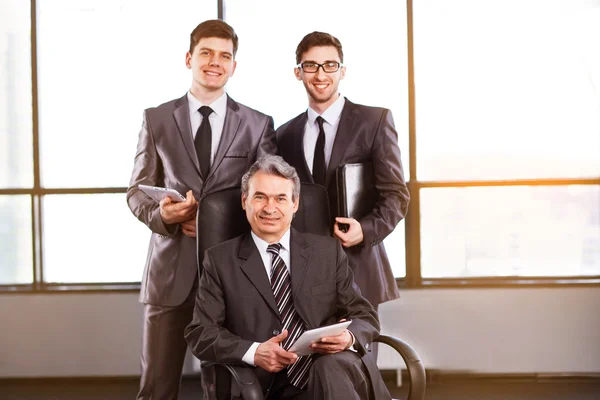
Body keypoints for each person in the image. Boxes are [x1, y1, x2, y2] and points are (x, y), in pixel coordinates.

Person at [126, 19, 277, 400]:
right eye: (206, 53)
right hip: (170, 271)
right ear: (189, 58)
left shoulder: (258, 125)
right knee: (156, 387)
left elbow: (269, 195)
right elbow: (136, 192)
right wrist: (165, 217)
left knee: (229, 387)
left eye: (225, 56)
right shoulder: (156, 118)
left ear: (234, 65)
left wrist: (217, 222)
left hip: (234, 275)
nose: (215, 62)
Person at [184, 155, 391, 400]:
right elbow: (201, 333)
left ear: (295, 204)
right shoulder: (220, 260)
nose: (270, 208)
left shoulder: (327, 252)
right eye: (260, 197)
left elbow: (364, 315)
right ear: (244, 201)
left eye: (280, 198)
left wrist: (348, 337)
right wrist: (255, 351)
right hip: (269, 384)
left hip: (335, 374)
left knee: (328, 367)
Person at [276, 32, 410, 350]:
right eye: (310, 65)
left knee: (360, 370)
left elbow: (396, 194)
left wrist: (365, 229)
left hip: (358, 267)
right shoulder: (284, 134)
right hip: (303, 272)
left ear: (342, 70)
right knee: (311, 374)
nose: (321, 74)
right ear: (298, 72)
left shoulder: (374, 121)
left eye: (329, 65)